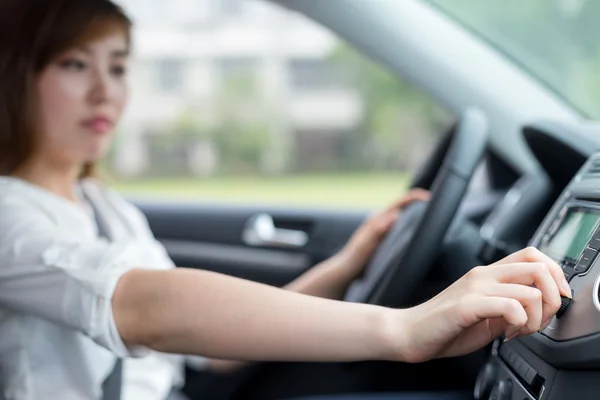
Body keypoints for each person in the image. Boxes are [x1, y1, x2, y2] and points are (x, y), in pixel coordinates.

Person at [0, 1, 572, 400]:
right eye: (76, 64)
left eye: (118, 66)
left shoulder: (104, 207)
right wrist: (402, 329)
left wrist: (346, 266)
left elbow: (207, 350)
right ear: (19, 76)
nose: (106, 90)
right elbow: (147, 310)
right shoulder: (10, 215)